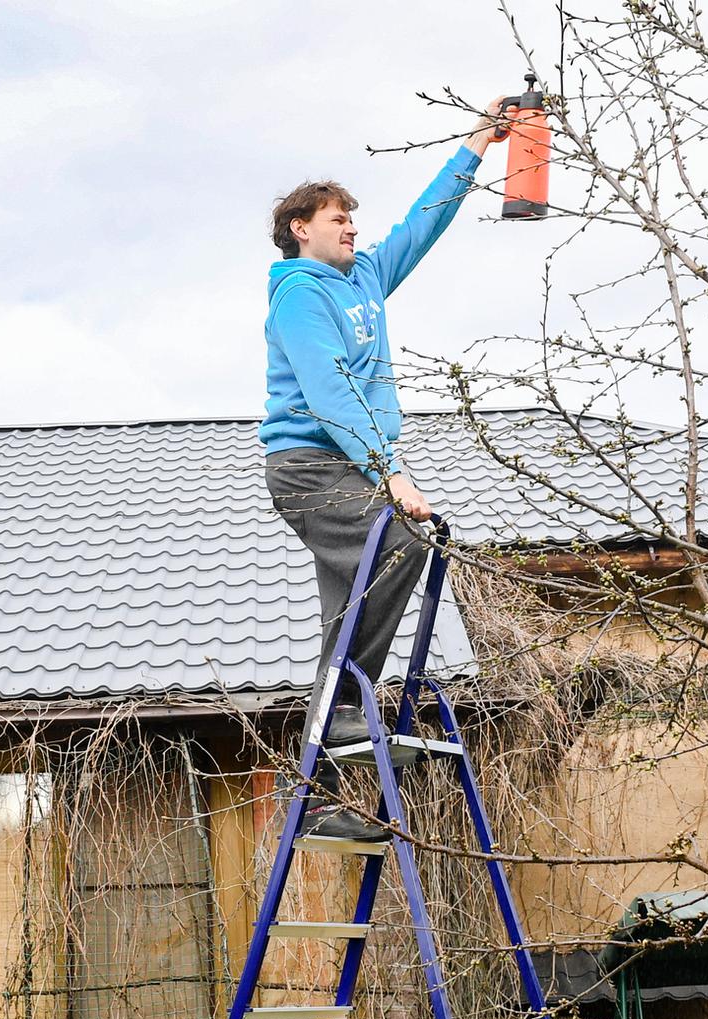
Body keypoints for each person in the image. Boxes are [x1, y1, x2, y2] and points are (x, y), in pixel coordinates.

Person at [262, 97, 506, 842]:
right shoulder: (298, 297)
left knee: (346, 623)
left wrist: (477, 143)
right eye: (338, 219)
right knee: (403, 539)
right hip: (309, 467)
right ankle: (341, 711)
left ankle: (314, 800)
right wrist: (393, 471)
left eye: (352, 219)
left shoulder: (365, 276)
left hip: (350, 468)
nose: (352, 228)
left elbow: (422, 224)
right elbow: (331, 392)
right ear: (301, 229)